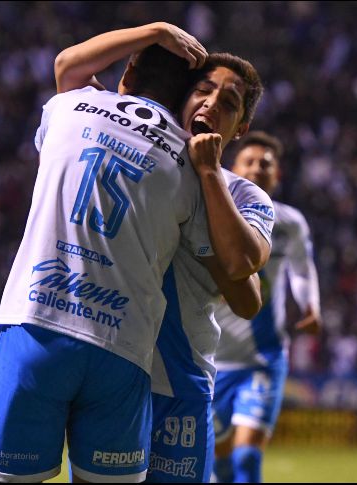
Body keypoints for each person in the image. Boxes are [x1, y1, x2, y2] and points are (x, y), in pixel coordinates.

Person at [0, 23, 251, 483]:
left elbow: (68, 63)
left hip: (38, 322)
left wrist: (154, 31)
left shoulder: (69, 107)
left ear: (125, 75)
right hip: (124, 348)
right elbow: (233, 268)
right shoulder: (195, 165)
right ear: (185, 96)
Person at [146, 54, 274, 483]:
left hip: (182, 378)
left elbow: (247, 294)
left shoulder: (246, 196)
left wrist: (207, 174)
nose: (211, 102)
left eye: (229, 101)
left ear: (240, 128)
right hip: (114, 368)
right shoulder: (137, 159)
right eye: (203, 89)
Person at [212, 131, 322, 483]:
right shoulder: (207, 214)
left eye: (266, 164)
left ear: (278, 176)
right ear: (232, 169)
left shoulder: (289, 223)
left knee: (246, 459)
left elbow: (303, 269)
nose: (258, 169)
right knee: (217, 464)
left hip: (261, 361)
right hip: (210, 362)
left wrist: (310, 305)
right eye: (250, 162)